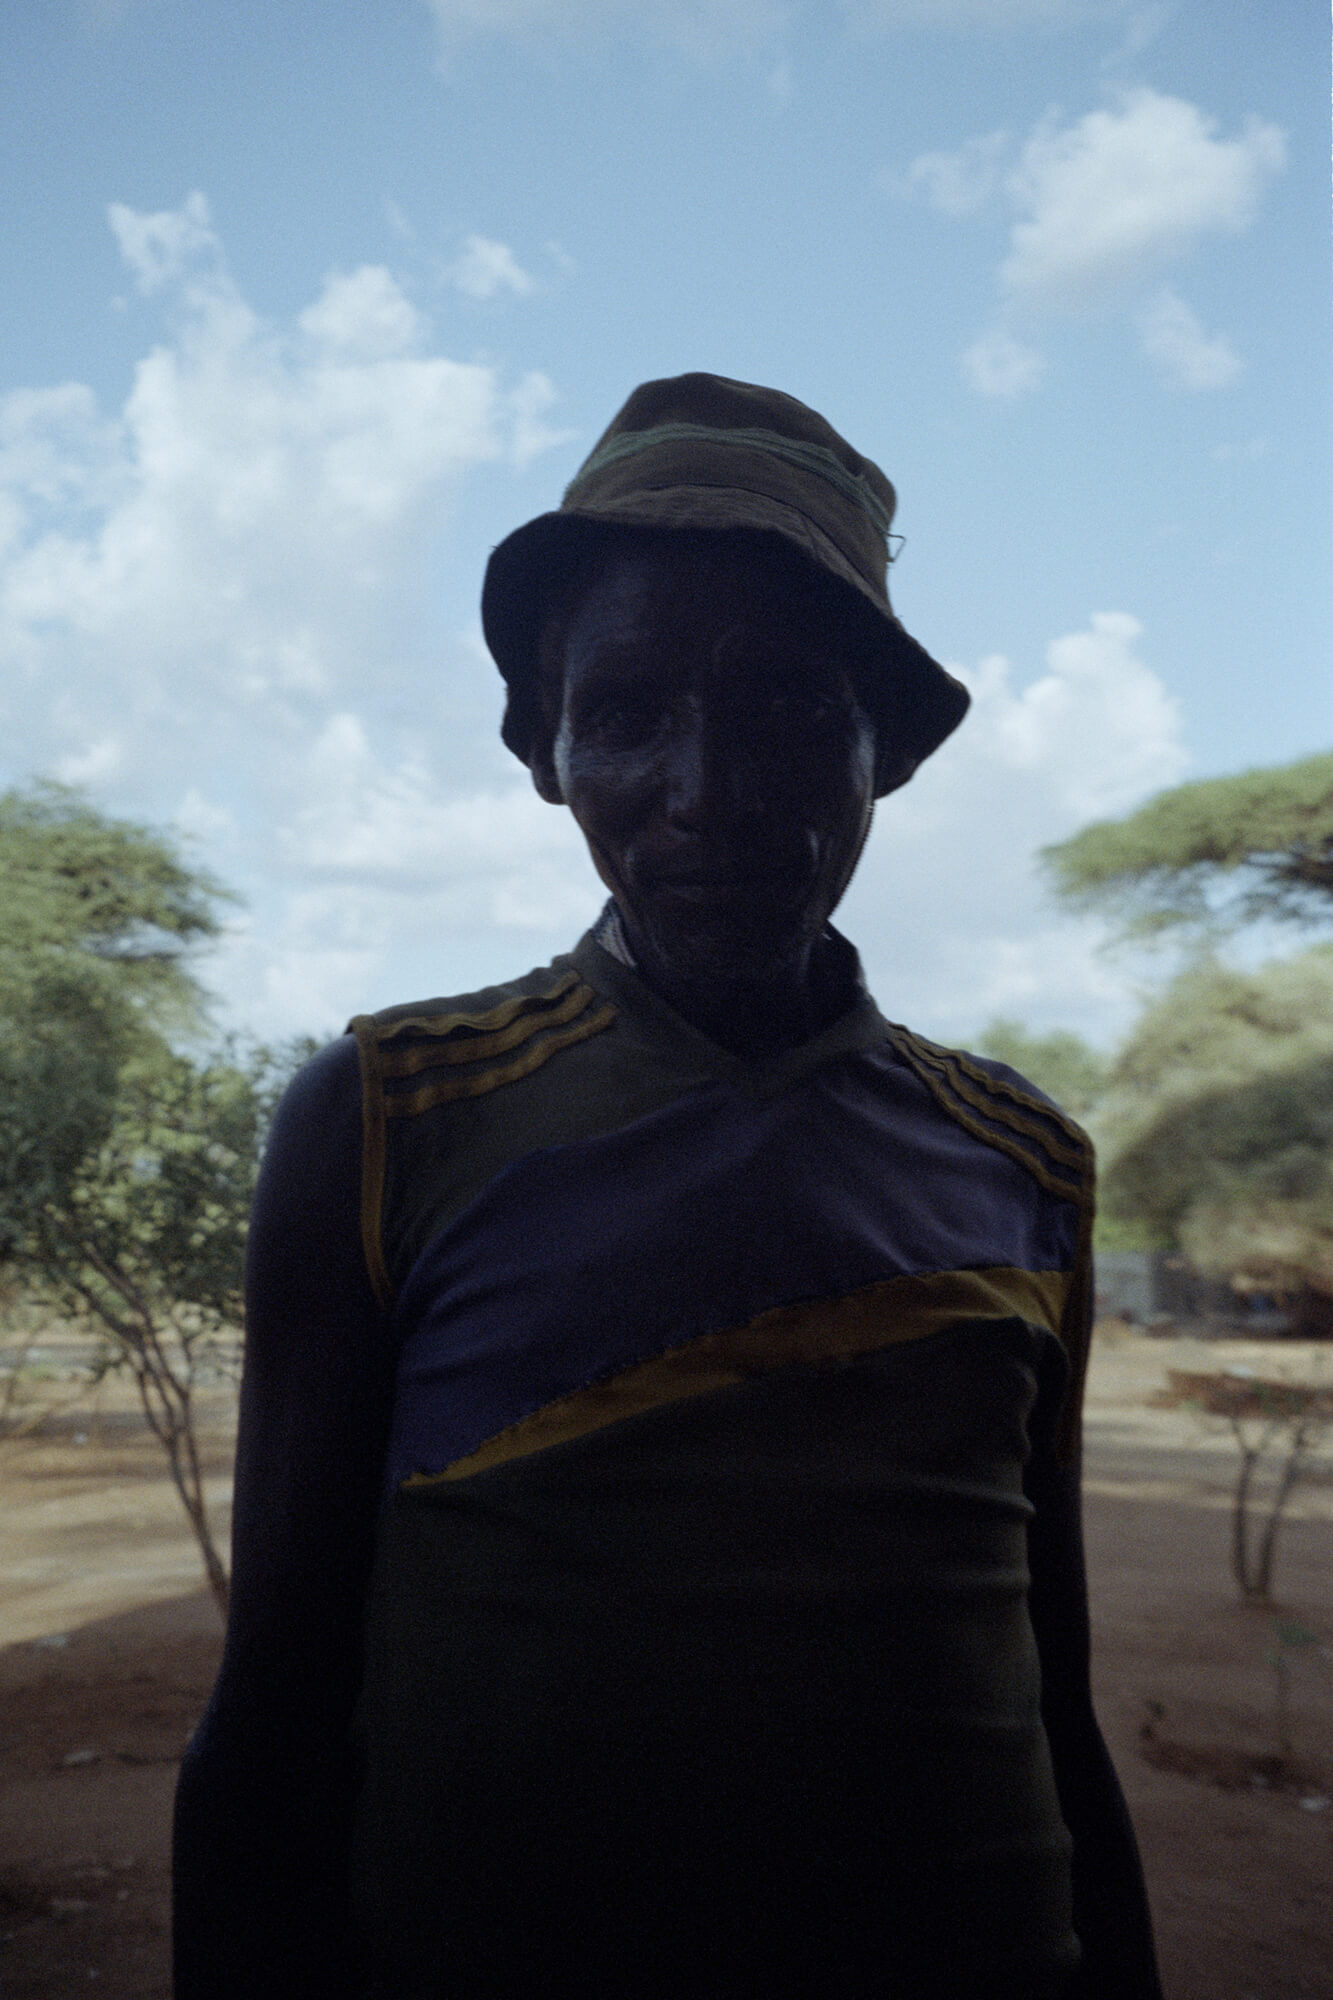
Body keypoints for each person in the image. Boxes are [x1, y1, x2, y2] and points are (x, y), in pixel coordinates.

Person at [172, 373, 1162, 1998]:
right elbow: (270, 1721)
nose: (709, 789)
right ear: (544, 749)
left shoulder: (1021, 1159)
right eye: (628, 711)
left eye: (786, 704)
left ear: (882, 748)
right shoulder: (387, 1115)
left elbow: (1049, 1696)